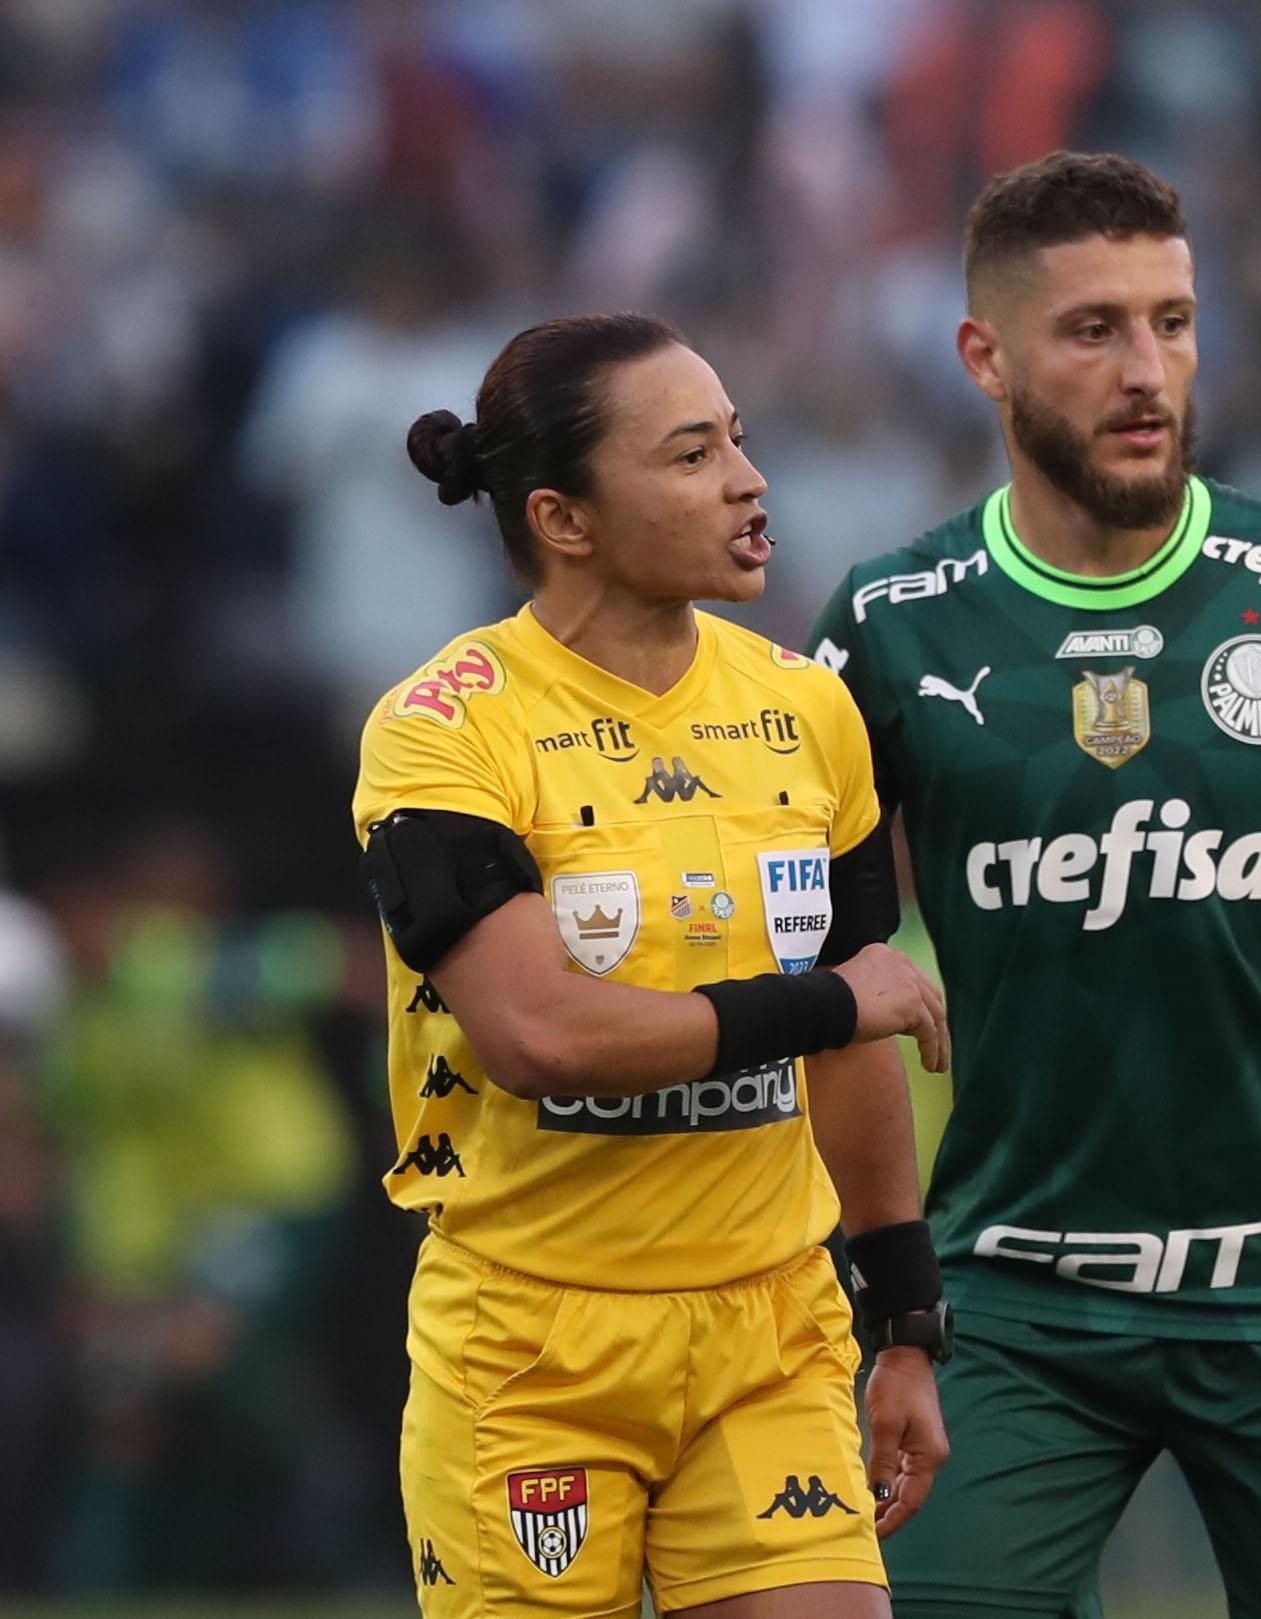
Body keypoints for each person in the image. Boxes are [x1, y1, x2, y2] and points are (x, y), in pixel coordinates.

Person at [804, 151, 1261, 1618]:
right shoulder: (887, 629)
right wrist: (887, 1302)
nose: (1147, 368)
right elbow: (827, 999)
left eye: (1172, 321)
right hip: (1013, 1300)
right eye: (1093, 328)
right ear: (985, 356)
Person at [355, 312, 956, 1619]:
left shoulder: (810, 712)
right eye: (691, 457)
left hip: (775, 1331)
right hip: (534, 1345)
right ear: (564, 520)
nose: (748, 481)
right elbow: (542, 1037)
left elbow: (856, 1051)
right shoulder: (441, 733)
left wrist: (905, 1314)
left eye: (739, 441)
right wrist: (832, 999)